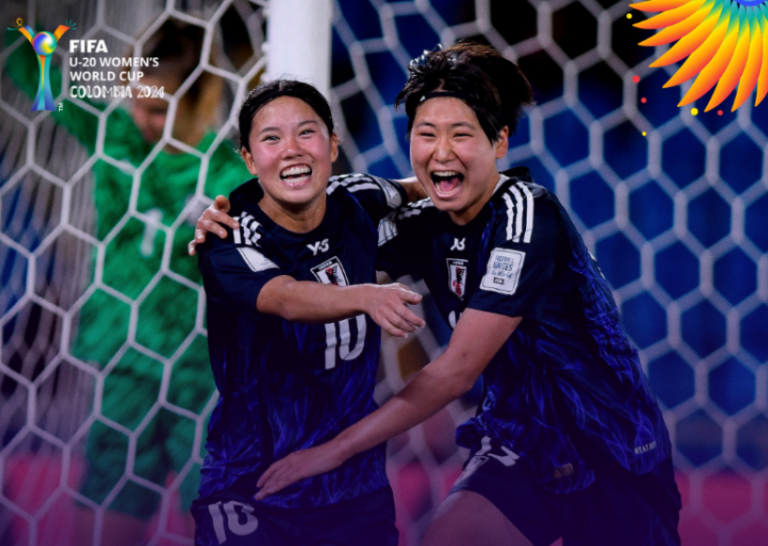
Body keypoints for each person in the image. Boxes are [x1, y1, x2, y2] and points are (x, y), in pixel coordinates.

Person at [195, 42, 681, 546]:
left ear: (499, 143)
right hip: (519, 441)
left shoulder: (528, 215)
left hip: (610, 445)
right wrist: (235, 222)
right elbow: (315, 249)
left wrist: (331, 452)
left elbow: (456, 371)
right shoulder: (427, 225)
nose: (441, 151)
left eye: (461, 135)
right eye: (426, 134)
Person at [6, 19, 250, 545]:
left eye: (159, 110)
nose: (142, 119)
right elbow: (33, 74)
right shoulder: (112, 134)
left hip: (202, 365)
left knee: (211, 496)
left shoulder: (230, 175)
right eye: (137, 102)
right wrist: (32, 31)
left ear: (202, 103)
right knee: (112, 488)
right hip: (124, 355)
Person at [192, 79, 428, 546]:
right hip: (250, 478)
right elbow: (285, 298)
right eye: (271, 139)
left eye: (307, 132)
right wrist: (367, 295)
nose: (292, 150)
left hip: (352, 483)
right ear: (248, 158)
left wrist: (490, 187)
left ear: (333, 144)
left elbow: (422, 188)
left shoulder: (357, 198)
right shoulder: (227, 236)